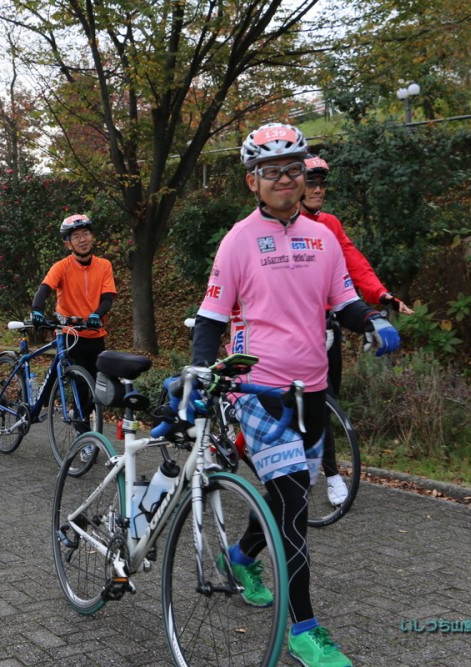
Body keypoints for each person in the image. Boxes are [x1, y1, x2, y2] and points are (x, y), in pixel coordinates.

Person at [189, 122, 400, 667]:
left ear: (304, 176)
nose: (284, 179)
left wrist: (372, 321)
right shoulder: (238, 241)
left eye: (293, 169)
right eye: (271, 172)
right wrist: (199, 375)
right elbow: (210, 318)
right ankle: (304, 629)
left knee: (292, 499)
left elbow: (343, 302)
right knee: (292, 511)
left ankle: (240, 556)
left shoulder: (323, 238)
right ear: (252, 181)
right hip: (258, 390)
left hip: (313, 390)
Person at [299, 154, 414, 507]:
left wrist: (381, 296)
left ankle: (323, 470)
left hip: (326, 327)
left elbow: (354, 262)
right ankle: (323, 472)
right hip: (291, 329)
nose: (318, 190)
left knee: (327, 400)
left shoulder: (330, 225)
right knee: (300, 403)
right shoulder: (282, 225)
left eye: (322, 184)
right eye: (311, 183)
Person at [30, 214, 116, 382]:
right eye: (76, 236)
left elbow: (107, 298)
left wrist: (97, 314)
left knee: (98, 384)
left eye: (85, 234)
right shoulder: (61, 267)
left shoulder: (104, 265)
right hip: (70, 333)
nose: (82, 240)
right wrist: (36, 310)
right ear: (68, 244)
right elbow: (44, 289)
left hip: (95, 332)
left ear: (92, 236)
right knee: (80, 384)